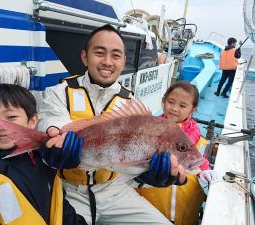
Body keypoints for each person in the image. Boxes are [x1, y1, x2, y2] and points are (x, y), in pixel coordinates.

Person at [37, 24, 187, 225]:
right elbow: (51, 122)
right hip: (69, 190)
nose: (107, 61)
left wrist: (148, 177)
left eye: (116, 55)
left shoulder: (131, 102)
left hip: (115, 190)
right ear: (84, 57)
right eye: (99, 53)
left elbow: (129, 168)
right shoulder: (58, 92)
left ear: (123, 61)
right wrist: (52, 146)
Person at [0, 84, 88, 225]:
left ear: (32, 121)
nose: (1, 126)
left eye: (11, 117)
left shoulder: (43, 164)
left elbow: (61, 210)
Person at [137, 81, 218, 225]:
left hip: (186, 204)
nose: (174, 108)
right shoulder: (150, 129)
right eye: (171, 102)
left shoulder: (197, 135)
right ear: (163, 101)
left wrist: (205, 170)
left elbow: (200, 159)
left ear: (193, 110)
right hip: (153, 201)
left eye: (182, 105)